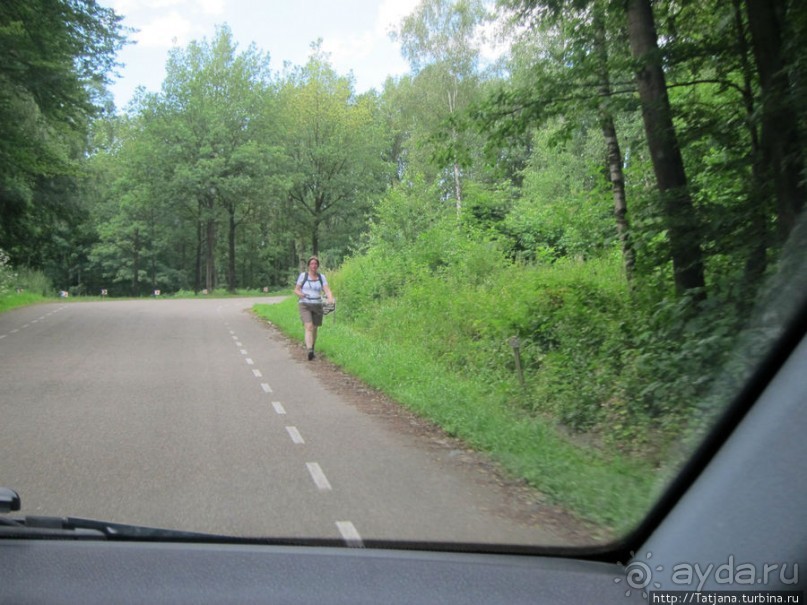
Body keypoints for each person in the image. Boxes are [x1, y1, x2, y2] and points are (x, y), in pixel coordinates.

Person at [294, 256, 335, 360]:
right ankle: (309, 350)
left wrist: (330, 298)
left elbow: (327, 290)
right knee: (309, 327)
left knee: (315, 328)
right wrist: (301, 294)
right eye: (312, 264)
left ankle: (312, 347)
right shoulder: (303, 276)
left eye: (315, 264)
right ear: (308, 266)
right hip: (305, 304)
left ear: (318, 266)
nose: (314, 266)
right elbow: (296, 290)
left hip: (317, 305)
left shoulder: (321, 277)